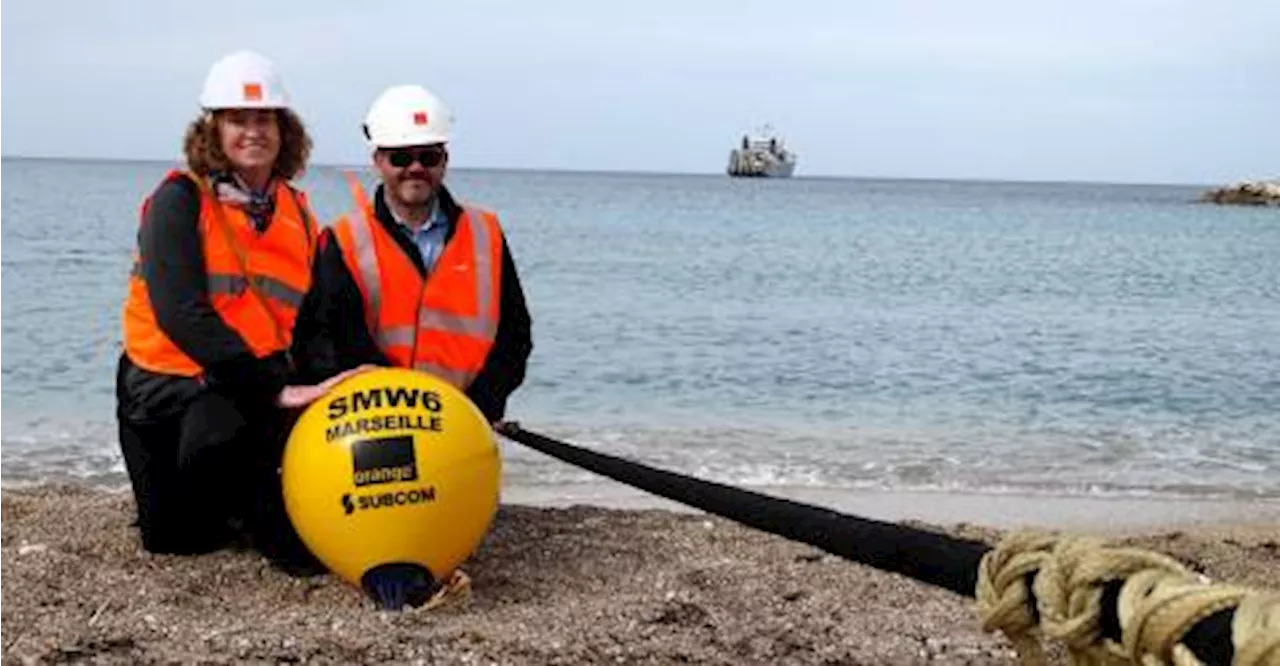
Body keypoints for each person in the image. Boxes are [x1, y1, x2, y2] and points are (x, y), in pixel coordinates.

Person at [116, 50, 360, 565]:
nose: (253, 131)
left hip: (251, 391)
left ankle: (257, 503)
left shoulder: (297, 210)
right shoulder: (178, 200)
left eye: (264, 119)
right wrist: (273, 388)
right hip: (165, 387)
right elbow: (180, 312)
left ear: (284, 130)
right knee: (173, 540)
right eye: (237, 120)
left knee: (297, 551)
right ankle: (236, 499)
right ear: (213, 130)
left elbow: (312, 323)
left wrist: (327, 387)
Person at [293, 85, 532, 425]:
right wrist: (394, 401)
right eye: (401, 157)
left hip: (464, 423)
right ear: (378, 161)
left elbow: (514, 335)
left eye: (429, 157)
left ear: (445, 160)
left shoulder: (486, 233)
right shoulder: (344, 240)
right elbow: (326, 341)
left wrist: (481, 404)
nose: (416, 168)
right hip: (375, 422)